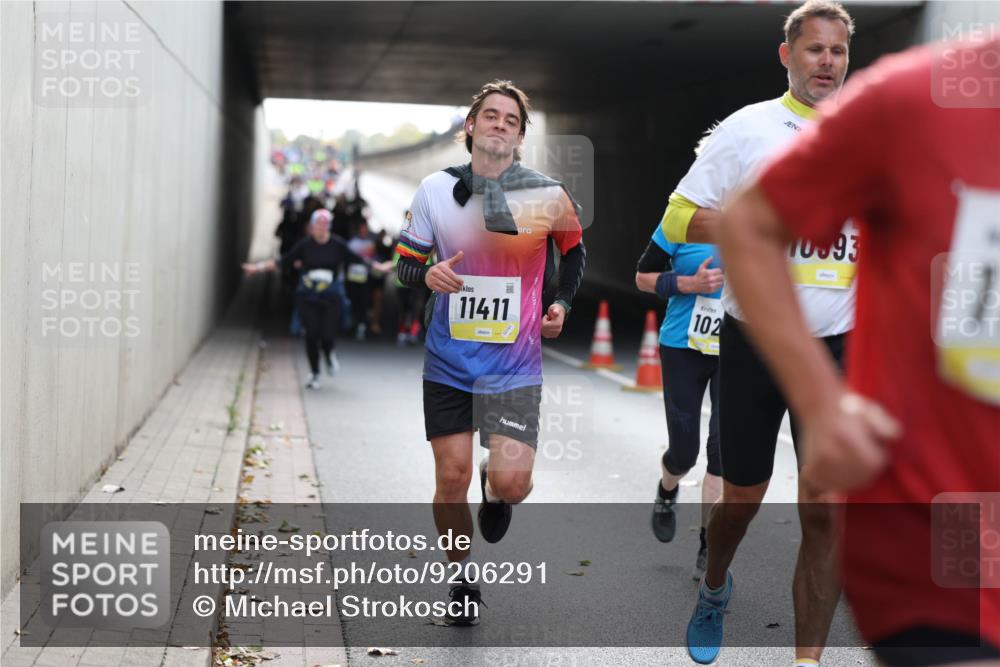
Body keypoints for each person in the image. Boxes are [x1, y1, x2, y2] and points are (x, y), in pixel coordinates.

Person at [719, 37, 1000, 667]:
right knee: (746, 496)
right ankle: (724, 587)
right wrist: (822, 404)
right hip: (939, 527)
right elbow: (748, 224)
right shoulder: (911, 101)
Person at [662, 2, 859, 664]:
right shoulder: (748, 129)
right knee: (742, 500)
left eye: (837, 51)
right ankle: (715, 582)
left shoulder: (871, 133)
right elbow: (680, 217)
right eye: (814, 49)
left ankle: (807, 660)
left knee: (826, 508)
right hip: (755, 341)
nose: (826, 61)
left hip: (837, 346)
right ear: (787, 55)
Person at [394, 80, 586, 626]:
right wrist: (427, 273)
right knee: (449, 479)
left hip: (515, 367)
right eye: (491, 115)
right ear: (471, 126)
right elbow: (405, 263)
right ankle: (461, 578)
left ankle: (494, 486)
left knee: (512, 485)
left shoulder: (548, 194)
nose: (500, 124)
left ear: (521, 136)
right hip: (449, 363)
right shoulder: (434, 190)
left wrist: (561, 304)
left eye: (511, 119)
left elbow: (574, 254)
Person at [635, 225, 724, 580]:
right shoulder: (681, 217)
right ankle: (667, 488)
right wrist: (690, 284)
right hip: (682, 346)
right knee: (684, 453)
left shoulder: (759, 215)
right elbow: (642, 278)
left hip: (736, 350)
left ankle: (709, 544)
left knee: (721, 453)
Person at [244, 209, 391, 389]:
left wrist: (379, 267)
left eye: (324, 224)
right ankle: (314, 373)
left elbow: (357, 259)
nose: (321, 228)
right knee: (312, 334)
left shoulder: (337, 244)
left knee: (327, 334)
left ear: (329, 226)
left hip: (331, 296)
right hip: (308, 296)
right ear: (312, 226)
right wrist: (257, 268)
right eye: (318, 224)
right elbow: (284, 261)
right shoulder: (304, 245)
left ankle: (328, 353)